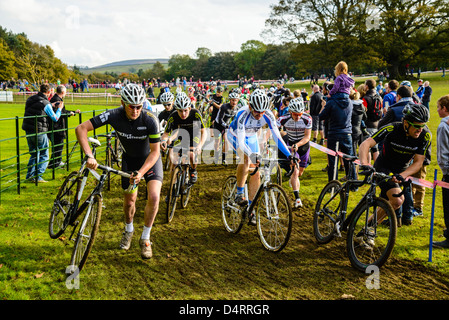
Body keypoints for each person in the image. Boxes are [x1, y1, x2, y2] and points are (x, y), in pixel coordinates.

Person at [75, 83, 163, 259]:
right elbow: (81, 128)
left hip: (150, 162)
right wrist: (89, 155)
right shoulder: (113, 115)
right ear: (123, 103)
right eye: (132, 106)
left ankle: (145, 238)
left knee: (154, 196)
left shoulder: (149, 119)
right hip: (129, 161)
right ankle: (128, 229)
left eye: (139, 106)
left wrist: (141, 173)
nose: (136, 110)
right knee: (130, 201)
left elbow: (155, 152)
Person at [358, 104, 432, 226]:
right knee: (397, 201)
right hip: (383, 167)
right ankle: (369, 227)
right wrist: (365, 164)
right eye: (417, 126)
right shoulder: (392, 128)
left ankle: (368, 226)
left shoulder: (425, 136)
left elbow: (418, 162)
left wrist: (402, 175)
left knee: (390, 202)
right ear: (406, 123)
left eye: (423, 126)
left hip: (401, 171)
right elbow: (365, 144)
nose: (420, 130)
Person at [227, 89, 293, 224]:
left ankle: (250, 208)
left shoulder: (268, 114)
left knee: (256, 172)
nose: (260, 115)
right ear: (250, 106)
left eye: (262, 111)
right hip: (235, 135)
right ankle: (239, 193)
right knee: (246, 159)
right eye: (257, 111)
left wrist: (289, 155)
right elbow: (240, 142)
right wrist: (251, 155)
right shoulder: (242, 114)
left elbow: (277, 137)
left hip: (251, 137)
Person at [161, 92, 207, 184]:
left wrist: (200, 146)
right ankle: (173, 187)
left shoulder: (195, 113)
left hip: (194, 134)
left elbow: (203, 131)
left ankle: (193, 170)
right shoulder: (173, 116)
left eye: (186, 110)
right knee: (174, 162)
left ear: (189, 108)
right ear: (176, 109)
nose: (183, 114)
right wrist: (164, 141)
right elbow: (166, 133)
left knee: (191, 154)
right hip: (181, 135)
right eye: (180, 111)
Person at [22, 83, 64, 183]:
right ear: (49, 91)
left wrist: (51, 105)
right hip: (39, 131)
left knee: (34, 153)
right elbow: (55, 118)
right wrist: (59, 109)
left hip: (28, 130)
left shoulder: (31, 99)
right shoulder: (46, 104)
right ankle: (38, 176)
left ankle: (30, 176)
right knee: (44, 154)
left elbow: (37, 109)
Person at [276, 97, 312, 208]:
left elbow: (307, 137)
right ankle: (297, 199)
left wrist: (298, 145)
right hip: (291, 145)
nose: (298, 117)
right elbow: (273, 130)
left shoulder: (307, 119)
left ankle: (293, 179)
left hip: (303, 145)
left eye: (300, 114)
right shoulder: (283, 119)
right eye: (295, 114)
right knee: (295, 171)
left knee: (300, 173)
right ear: (290, 111)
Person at [319, 83, 355, 182]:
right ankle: (352, 182)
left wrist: (324, 106)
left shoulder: (331, 102)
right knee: (349, 159)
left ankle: (333, 184)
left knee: (332, 160)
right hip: (346, 132)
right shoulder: (349, 102)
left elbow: (321, 116)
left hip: (334, 133)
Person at [48, 85, 80, 169]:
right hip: (57, 126)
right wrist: (69, 113)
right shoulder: (56, 100)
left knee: (59, 144)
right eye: (65, 92)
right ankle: (55, 164)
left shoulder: (58, 99)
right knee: (58, 144)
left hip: (58, 126)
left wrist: (73, 112)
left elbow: (63, 111)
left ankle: (56, 162)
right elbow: (58, 113)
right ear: (62, 92)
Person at [434, 95, 449, 248]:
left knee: (448, 205)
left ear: (444, 109)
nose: (437, 110)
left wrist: (445, 171)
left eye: (438, 107)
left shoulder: (443, 126)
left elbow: (443, 153)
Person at [213, 91, 239, 165]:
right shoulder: (224, 107)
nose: (234, 102)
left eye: (235, 100)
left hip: (225, 126)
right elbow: (220, 120)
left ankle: (223, 159)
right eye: (232, 100)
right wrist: (227, 126)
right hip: (218, 125)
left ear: (237, 101)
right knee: (217, 142)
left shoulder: (236, 109)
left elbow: (234, 119)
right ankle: (216, 156)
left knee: (226, 141)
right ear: (230, 100)